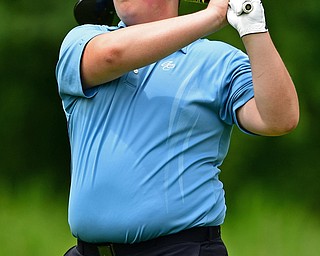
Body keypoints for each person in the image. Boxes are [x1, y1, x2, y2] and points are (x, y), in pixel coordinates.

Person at [56, 0, 299, 255]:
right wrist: (214, 16)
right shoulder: (83, 40)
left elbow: (278, 119)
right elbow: (111, 56)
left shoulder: (218, 61)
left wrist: (252, 21)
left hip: (181, 249)